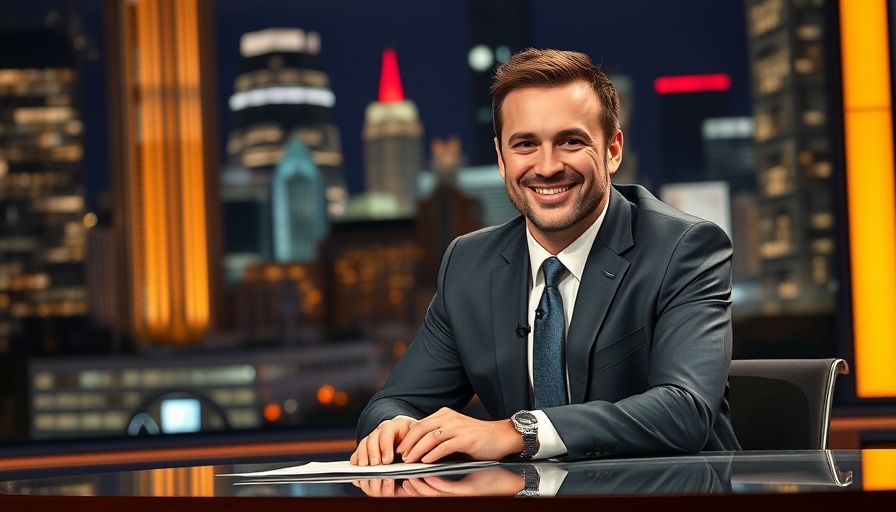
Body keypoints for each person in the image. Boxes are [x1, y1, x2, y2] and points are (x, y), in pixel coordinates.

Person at [350, 48, 740, 467]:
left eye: (570, 141)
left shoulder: (685, 248)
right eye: (526, 144)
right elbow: (393, 403)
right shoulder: (468, 264)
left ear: (612, 150)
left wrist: (517, 431)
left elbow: (685, 411)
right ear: (501, 159)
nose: (547, 166)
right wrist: (394, 426)